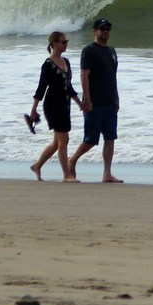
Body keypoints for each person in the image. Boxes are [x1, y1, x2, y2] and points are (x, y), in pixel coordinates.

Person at [69, 18, 124, 183]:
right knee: (91, 140)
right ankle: (72, 160)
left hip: (110, 102)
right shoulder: (89, 50)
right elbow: (84, 75)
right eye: (102, 29)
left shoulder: (111, 51)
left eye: (108, 29)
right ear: (94, 31)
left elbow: (112, 76)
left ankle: (107, 173)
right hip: (95, 102)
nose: (105, 32)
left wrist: (116, 97)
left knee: (110, 137)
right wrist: (87, 99)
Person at [27, 31, 83, 182]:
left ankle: (37, 166)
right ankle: (67, 175)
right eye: (63, 42)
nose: (66, 44)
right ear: (54, 44)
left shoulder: (66, 61)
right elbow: (41, 88)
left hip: (65, 105)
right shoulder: (48, 65)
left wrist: (80, 103)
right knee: (64, 139)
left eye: (67, 42)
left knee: (57, 142)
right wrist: (33, 109)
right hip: (52, 105)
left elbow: (68, 86)